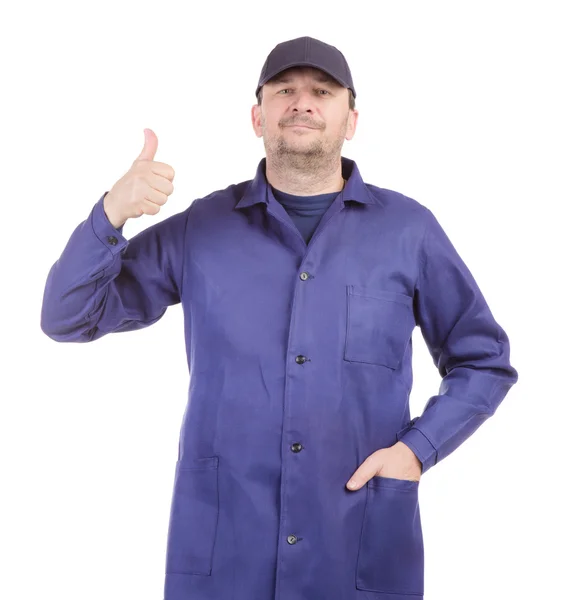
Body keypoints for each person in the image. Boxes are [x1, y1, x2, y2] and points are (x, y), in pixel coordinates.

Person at [40, 36, 518, 600]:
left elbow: (483, 361)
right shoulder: (203, 228)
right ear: (256, 115)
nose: (302, 103)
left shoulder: (409, 232)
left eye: (322, 91)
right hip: (225, 553)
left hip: (358, 544)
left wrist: (417, 451)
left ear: (352, 118)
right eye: (284, 90)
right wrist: (112, 213)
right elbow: (68, 316)